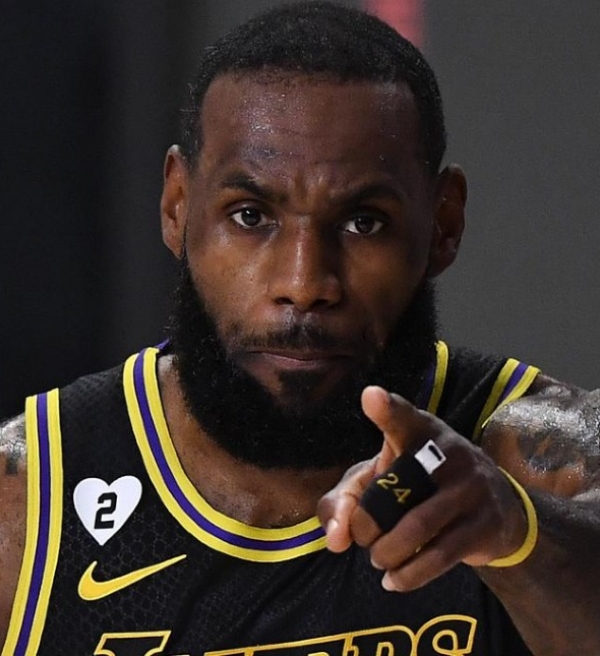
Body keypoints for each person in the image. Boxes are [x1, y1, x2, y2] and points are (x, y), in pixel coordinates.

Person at [1, 2, 599, 654]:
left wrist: (519, 534)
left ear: (443, 224)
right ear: (178, 206)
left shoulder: (543, 462)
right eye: (250, 215)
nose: (305, 281)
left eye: (364, 222)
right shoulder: (26, 504)